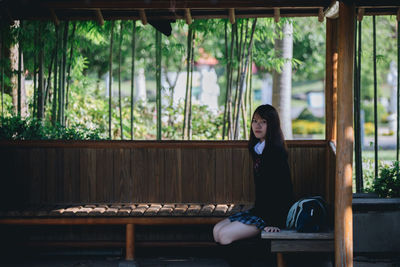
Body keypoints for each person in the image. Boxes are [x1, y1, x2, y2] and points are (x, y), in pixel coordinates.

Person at [213, 104, 294, 245]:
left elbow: (284, 191)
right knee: (217, 231)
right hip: (260, 210)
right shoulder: (258, 150)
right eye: (255, 121)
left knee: (224, 235)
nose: (258, 126)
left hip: (273, 216)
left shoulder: (276, 153)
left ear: (272, 125)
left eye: (263, 122)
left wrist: (275, 222)